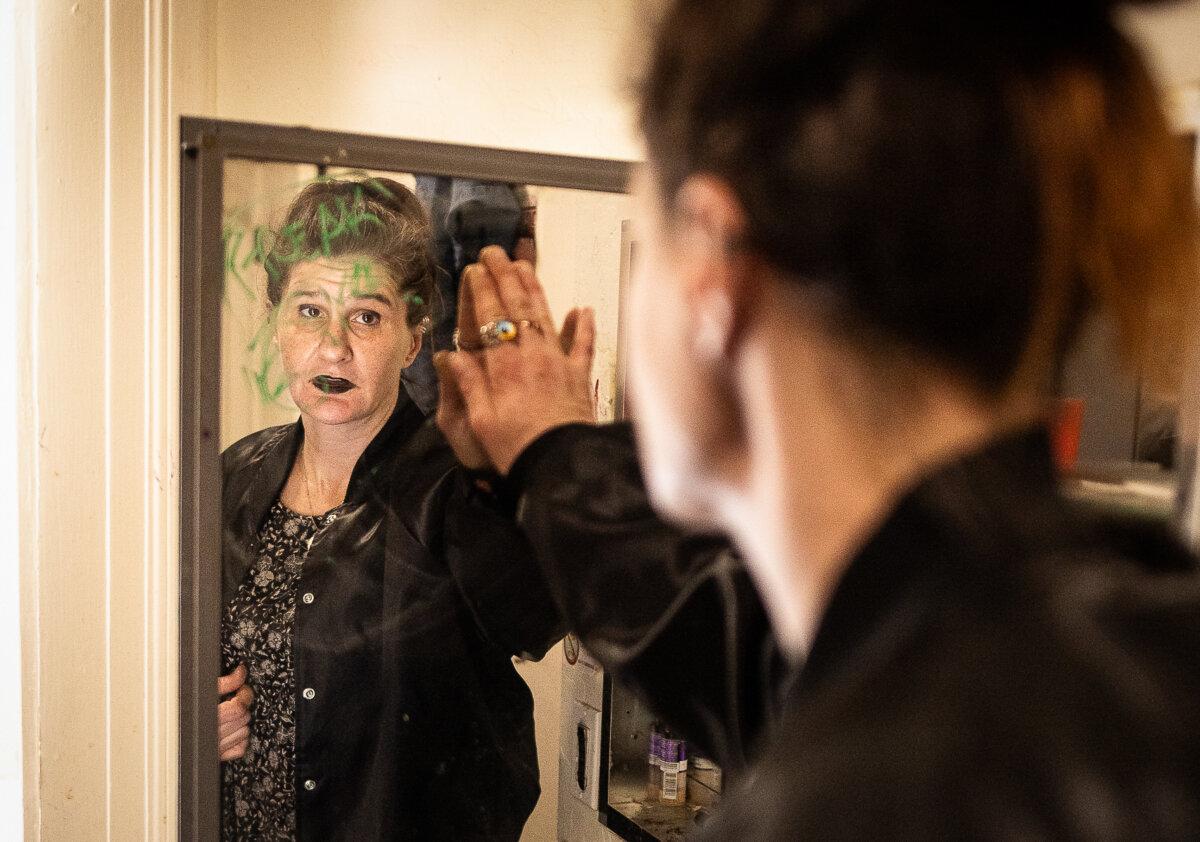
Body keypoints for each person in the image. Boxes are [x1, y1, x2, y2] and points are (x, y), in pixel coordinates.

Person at [434, 0, 1200, 837]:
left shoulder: (853, 800)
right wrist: (546, 453)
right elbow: (741, 637)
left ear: (713, 272)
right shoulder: (1103, 645)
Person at [217, 177, 562, 841]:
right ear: (276, 324)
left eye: (367, 316)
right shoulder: (234, 475)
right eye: (309, 311)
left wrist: (536, 455)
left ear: (411, 340)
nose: (334, 346)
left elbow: (540, 618)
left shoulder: (457, 487)